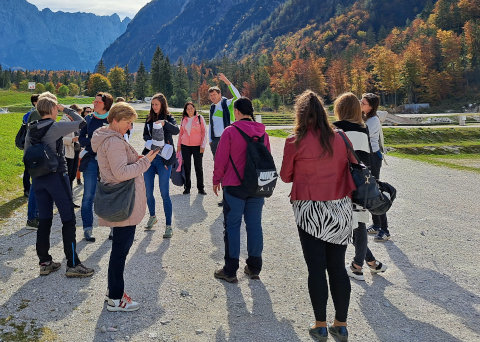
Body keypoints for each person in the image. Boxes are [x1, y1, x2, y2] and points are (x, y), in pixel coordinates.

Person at [280, 90, 356, 342]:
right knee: (338, 268)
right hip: (340, 208)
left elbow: (285, 176)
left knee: (316, 269)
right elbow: (351, 166)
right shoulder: (341, 138)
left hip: (309, 211)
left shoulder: (294, 141)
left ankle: (320, 325)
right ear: (323, 112)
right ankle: (341, 325)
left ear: (299, 114)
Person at [91, 102, 159, 312]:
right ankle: (115, 299)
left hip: (120, 201)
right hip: (123, 202)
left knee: (119, 250)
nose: (130, 127)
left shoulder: (109, 138)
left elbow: (118, 166)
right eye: (128, 123)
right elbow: (121, 173)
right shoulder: (114, 142)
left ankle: (114, 292)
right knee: (120, 251)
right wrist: (145, 162)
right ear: (115, 119)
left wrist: (136, 159)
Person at [24, 92, 94, 277]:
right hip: (57, 177)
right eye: (56, 108)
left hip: (39, 179)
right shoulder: (54, 127)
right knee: (68, 219)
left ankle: (45, 262)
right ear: (53, 109)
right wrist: (67, 109)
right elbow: (82, 122)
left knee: (45, 219)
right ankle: (72, 264)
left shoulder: (31, 128)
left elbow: (26, 152)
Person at [212, 97, 269, 283]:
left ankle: (230, 270)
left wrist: (216, 179)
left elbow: (221, 159)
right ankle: (254, 267)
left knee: (233, 226)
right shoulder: (263, 133)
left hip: (234, 185)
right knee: (254, 225)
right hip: (257, 186)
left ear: (236, 111)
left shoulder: (230, 131)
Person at [333, 93, 388, 281]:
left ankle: (357, 266)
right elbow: (365, 158)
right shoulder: (363, 128)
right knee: (358, 222)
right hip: (360, 182)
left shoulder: (337, 129)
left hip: (341, 182)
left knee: (356, 226)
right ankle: (371, 262)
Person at [142, 93, 179, 237]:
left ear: (163, 104)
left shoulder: (169, 118)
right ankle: (152, 217)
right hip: (150, 158)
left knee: (164, 193)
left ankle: (169, 226)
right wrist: (150, 141)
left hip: (164, 159)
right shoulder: (149, 118)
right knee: (148, 191)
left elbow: (176, 131)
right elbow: (145, 135)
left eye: (156, 104)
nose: (154, 107)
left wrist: (165, 123)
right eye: (152, 104)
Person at [79, 92, 114, 242]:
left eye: (97, 102)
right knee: (88, 196)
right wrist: (95, 141)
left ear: (105, 104)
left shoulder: (112, 119)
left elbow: (118, 138)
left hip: (108, 162)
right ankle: (87, 229)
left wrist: (95, 141)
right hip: (91, 161)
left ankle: (113, 228)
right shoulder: (88, 118)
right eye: (94, 101)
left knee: (110, 194)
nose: (94, 103)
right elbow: (81, 139)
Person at [361, 93, 390, 242]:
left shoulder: (373, 120)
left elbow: (363, 134)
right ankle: (376, 224)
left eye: (364, 102)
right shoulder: (366, 117)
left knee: (374, 191)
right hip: (367, 156)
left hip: (373, 157)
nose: (361, 104)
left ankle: (384, 229)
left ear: (371, 106)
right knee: (368, 190)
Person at [208, 73, 240, 206]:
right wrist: (210, 140)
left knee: (230, 168)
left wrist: (227, 82)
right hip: (215, 142)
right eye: (210, 95)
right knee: (220, 169)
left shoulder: (227, 103)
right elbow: (211, 125)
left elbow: (238, 97)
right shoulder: (212, 108)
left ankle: (233, 196)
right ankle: (226, 197)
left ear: (219, 94)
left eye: (215, 95)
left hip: (228, 140)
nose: (212, 97)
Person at [177, 102, 207, 195]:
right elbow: (181, 133)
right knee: (186, 167)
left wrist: (203, 146)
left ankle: (200, 188)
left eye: (191, 108)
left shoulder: (199, 118)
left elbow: (204, 132)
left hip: (197, 146)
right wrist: (178, 145)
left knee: (198, 167)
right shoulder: (184, 119)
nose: (190, 110)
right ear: (185, 110)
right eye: (187, 109)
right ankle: (187, 187)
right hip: (185, 146)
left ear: (194, 109)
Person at [23, 94, 40, 229]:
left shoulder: (37, 113)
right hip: (34, 155)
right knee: (35, 186)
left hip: (34, 154)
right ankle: (32, 218)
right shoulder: (33, 114)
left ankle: (36, 215)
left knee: (37, 186)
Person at [62, 105, 82, 201]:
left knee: (72, 175)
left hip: (75, 151)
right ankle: (67, 199)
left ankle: (69, 198)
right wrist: (72, 140)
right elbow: (59, 139)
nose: (78, 115)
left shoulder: (75, 122)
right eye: (76, 114)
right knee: (68, 177)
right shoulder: (63, 122)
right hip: (68, 153)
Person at [76, 107, 93, 186]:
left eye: (90, 111)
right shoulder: (82, 121)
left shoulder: (92, 120)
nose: (89, 112)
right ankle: (78, 178)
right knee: (79, 163)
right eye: (87, 111)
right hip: (80, 144)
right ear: (84, 112)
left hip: (88, 145)